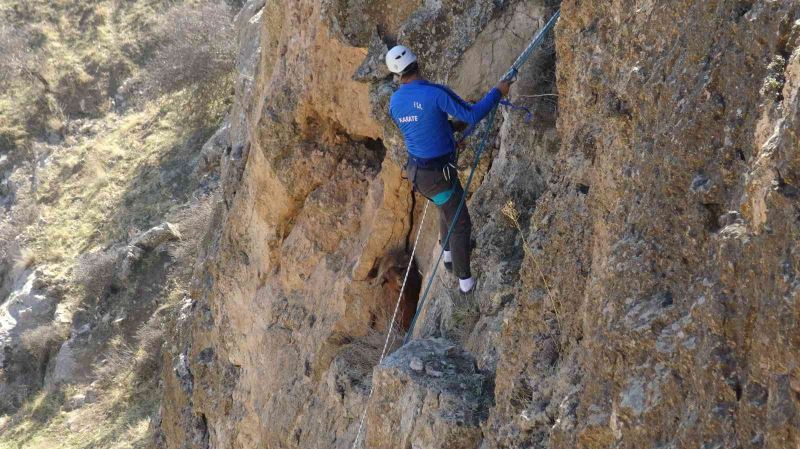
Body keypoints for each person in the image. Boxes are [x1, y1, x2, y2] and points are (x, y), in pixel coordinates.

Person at [386, 45, 512, 294]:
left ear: (396, 74)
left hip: (418, 173)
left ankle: (447, 255)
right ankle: (465, 284)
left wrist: (450, 133)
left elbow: (423, 127)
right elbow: (473, 115)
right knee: (460, 221)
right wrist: (498, 91)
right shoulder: (435, 93)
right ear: (417, 61)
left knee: (445, 205)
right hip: (438, 175)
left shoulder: (394, 102)